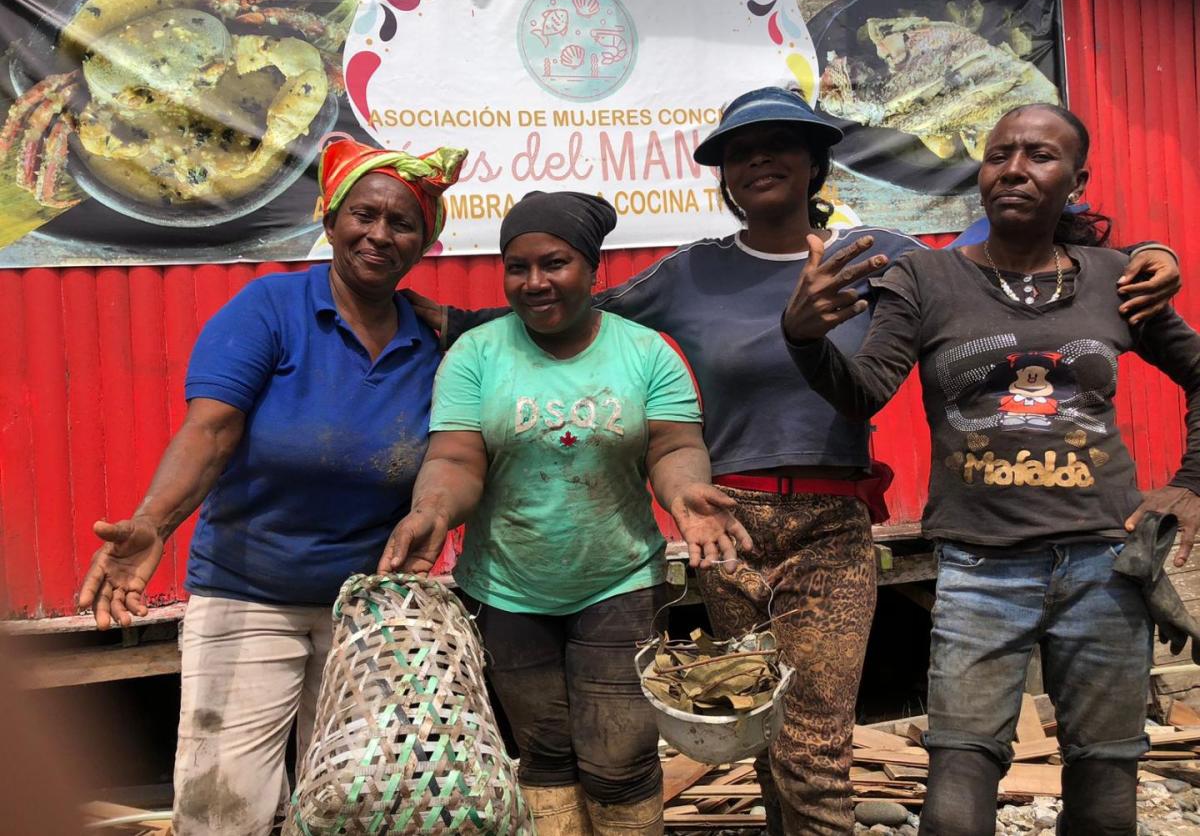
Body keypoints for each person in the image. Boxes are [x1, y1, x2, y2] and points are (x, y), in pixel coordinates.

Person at [408, 87, 1181, 835]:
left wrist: (1146, 253)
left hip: (831, 524)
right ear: (724, 176)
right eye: (739, 152)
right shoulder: (691, 272)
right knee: (762, 732)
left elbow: (1003, 270)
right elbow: (577, 311)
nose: (758, 161)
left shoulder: (884, 256)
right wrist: (458, 323)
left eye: (779, 144)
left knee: (814, 743)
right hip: (730, 525)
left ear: (816, 163)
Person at [781, 103, 1200, 836]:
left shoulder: (1117, 278)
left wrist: (1190, 483)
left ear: (1077, 181)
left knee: (1106, 780)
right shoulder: (924, 277)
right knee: (958, 782)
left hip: (1105, 562)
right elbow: (864, 392)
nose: (1013, 169)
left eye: (1039, 155)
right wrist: (805, 340)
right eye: (999, 154)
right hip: (980, 565)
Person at [75, 138, 467, 836]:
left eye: (402, 223)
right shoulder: (271, 309)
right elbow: (210, 431)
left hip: (368, 608)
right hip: (248, 594)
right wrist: (153, 523)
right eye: (363, 215)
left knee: (356, 804)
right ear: (331, 219)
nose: (380, 234)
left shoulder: (433, 341)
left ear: (424, 241)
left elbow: (456, 455)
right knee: (223, 806)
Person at [380, 190, 750, 836]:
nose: (534, 282)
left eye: (554, 263)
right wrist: (433, 510)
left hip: (619, 581)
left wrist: (686, 491)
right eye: (517, 267)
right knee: (545, 753)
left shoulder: (645, 353)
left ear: (590, 268)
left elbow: (673, 446)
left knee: (620, 760)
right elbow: (457, 458)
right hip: (507, 587)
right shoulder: (477, 354)